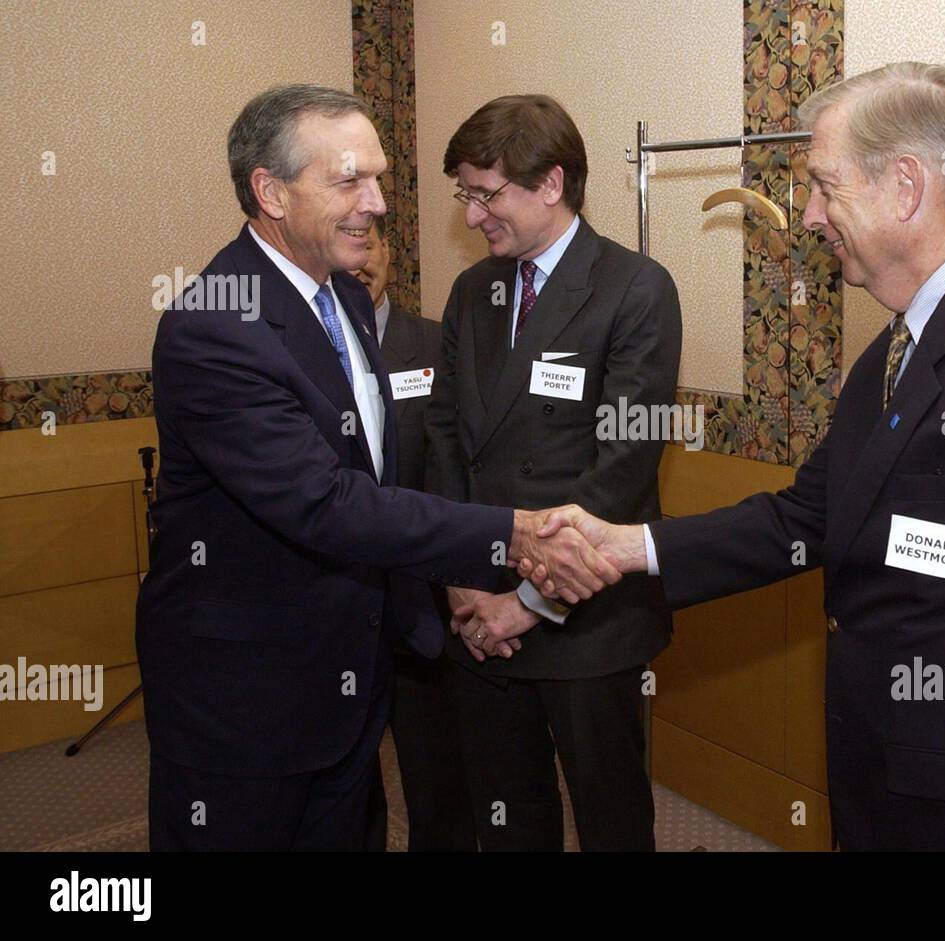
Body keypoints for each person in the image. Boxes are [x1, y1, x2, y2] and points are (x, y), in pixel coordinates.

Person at [510, 63, 945, 851]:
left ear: (906, 187)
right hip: (895, 789)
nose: (810, 215)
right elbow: (807, 515)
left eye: (823, 185)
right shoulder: (889, 355)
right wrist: (624, 546)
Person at [137, 84, 618, 852]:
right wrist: (513, 533)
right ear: (270, 191)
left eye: (381, 179)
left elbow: (384, 478)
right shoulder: (216, 326)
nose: (380, 203)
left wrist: (454, 588)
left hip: (348, 687)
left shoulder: (346, 303)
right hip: (248, 700)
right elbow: (327, 504)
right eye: (351, 181)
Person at [425, 94, 682, 851]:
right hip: (480, 615)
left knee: (611, 823)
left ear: (550, 183)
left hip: (587, 622)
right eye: (464, 194)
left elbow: (623, 472)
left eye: (485, 192)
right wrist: (462, 582)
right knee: (507, 817)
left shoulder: (635, 288)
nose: (472, 216)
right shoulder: (474, 291)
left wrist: (529, 602)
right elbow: (443, 437)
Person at [352, 216, 478, 851]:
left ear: (390, 254)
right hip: (337, 604)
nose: (360, 258)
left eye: (370, 241)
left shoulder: (438, 346)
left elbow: (463, 465)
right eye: (346, 241)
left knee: (439, 786)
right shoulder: (296, 352)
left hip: (423, 611)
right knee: (341, 790)